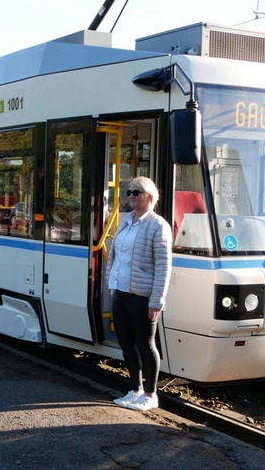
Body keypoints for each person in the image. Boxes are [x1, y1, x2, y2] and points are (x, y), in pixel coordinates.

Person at [107, 176, 172, 411]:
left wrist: (156, 300)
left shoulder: (158, 226)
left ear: (150, 197)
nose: (131, 196)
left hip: (142, 295)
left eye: (136, 192)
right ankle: (134, 390)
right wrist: (111, 283)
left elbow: (163, 266)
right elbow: (116, 255)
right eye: (129, 192)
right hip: (121, 291)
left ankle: (151, 394)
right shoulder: (126, 221)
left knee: (146, 345)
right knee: (126, 343)